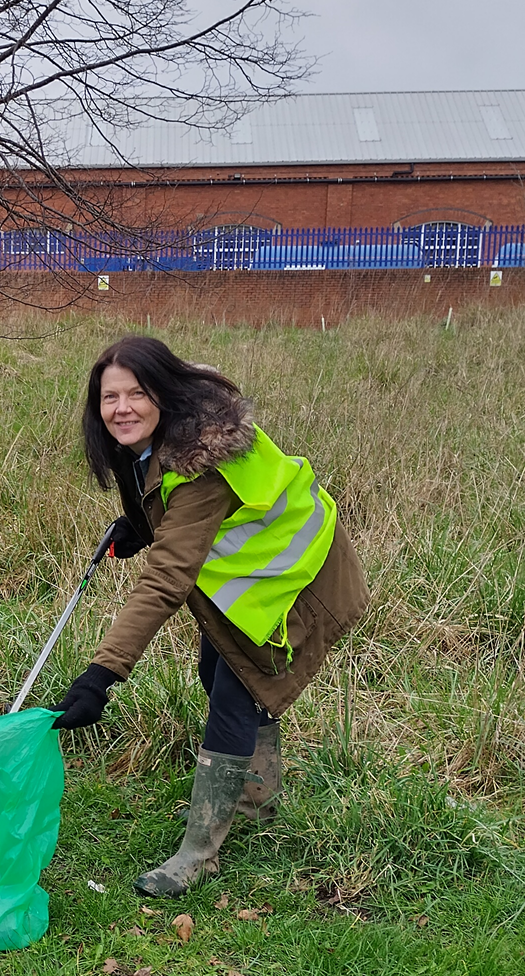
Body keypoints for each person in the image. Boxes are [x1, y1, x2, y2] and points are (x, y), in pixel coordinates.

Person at [50, 335, 368, 896]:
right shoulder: (159, 446)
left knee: (233, 693)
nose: (121, 408)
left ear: (164, 397)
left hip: (298, 583)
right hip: (249, 584)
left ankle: (199, 853)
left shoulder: (203, 462)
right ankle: (257, 803)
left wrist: (103, 673)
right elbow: (172, 517)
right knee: (219, 676)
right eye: (109, 397)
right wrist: (141, 527)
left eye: (136, 394)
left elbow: (167, 577)